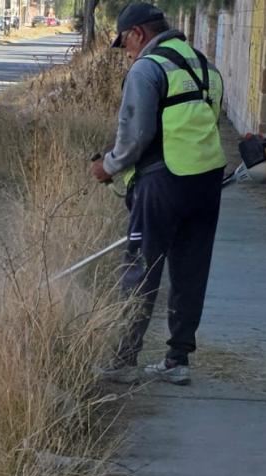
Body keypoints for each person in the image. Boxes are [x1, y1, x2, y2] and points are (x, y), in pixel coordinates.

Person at [90, 3, 226, 386]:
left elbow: (135, 136)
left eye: (125, 44)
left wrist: (109, 166)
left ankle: (121, 360)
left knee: (140, 270)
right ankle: (178, 360)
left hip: (162, 183)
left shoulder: (147, 69)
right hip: (206, 182)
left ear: (138, 34)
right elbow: (210, 121)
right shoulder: (204, 66)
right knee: (190, 270)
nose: (126, 53)